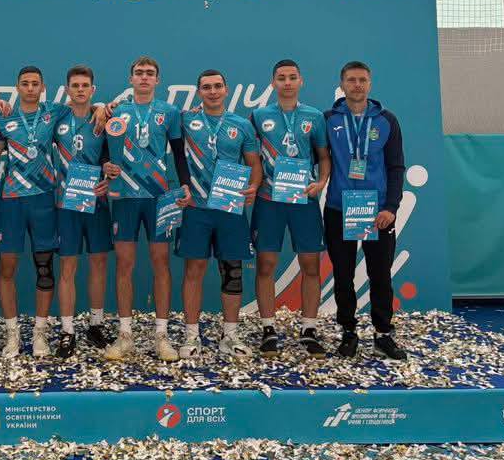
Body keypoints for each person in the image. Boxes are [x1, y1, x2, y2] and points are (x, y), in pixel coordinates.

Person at [99, 56, 191, 362]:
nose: (144, 77)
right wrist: (105, 165)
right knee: (124, 264)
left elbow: (179, 153)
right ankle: (125, 335)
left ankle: (161, 336)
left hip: (158, 197)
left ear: (157, 80)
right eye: (139, 73)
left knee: (160, 263)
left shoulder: (170, 112)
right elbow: (104, 150)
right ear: (130, 79)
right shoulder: (116, 111)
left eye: (150, 73)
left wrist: (185, 184)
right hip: (125, 196)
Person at [323, 61, 407, 361]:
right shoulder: (328, 119)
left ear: (370, 84)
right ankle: (348, 332)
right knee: (343, 274)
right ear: (342, 84)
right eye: (351, 80)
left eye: (362, 80)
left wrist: (391, 207)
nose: (357, 85)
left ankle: (383, 334)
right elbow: (317, 158)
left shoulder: (387, 120)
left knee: (380, 274)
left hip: (377, 212)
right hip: (338, 208)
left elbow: (396, 167)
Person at [177, 69, 262, 359]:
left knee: (232, 272)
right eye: (206, 87)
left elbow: (254, 164)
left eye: (217, 86)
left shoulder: (242, 125)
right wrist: (106, 108)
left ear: (226, 90)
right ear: (199, 92)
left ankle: (230, 336)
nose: (212, 91)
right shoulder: (185, 120)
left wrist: (254, 186)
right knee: (194, 271)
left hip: (229, 208)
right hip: (196, 208)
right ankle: (191, 336)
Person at [250, 59, 331, 359]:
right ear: (273, 83)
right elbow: (249, 155)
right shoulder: (258, 116)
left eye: (292, 77)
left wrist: (321, 182)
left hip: (303, 201)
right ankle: (268, 329)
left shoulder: (314, 116)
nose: (287, 82)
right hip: (269, 200)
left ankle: (309, 329)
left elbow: (324, 156)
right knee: (265, 265)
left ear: (301, 81)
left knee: (310, 265)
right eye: (281, 78)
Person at [0, 66, 70, 358]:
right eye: (25, 83)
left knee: (44, 268)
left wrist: (102, 109)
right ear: (17, 87)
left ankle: (39, 333)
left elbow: (85, 108)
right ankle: (12, 334)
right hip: (12, 200)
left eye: (35, 83)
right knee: (7, 267)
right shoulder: (4, 117)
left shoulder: (54, 112)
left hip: (44, 199)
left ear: (43, 87)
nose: (30, 88)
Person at [54, 65, 112, 358]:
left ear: (92, 90)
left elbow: (111, 158)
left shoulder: (103, 117)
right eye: (74, 85)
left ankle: (96, 324)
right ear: (67, 90)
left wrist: (108, 177)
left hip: (96, 201)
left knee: (98, 263)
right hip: (66, 204)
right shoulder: (56, 117)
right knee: (68, 267)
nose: (80, 90)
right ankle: (67, 331)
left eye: (84, 85)